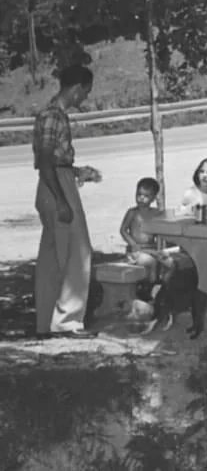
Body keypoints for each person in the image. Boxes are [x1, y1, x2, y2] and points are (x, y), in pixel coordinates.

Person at [32, 64, 102, 338]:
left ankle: (46, 323)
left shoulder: (52, 115)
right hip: (56, 188)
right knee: (78, 254)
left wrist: (77, 172)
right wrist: (62, 200)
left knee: (53, 257)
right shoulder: (54, 116)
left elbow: (55, 162)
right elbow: (46, 161)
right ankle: (67, 322)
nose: (84, 98)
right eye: (85, 92)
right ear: (76, 89)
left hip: (58, 182)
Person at [119, 177, 163, 282]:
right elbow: (123, 230)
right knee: (150, 262)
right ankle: (150, 287)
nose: (141, 198)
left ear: (153, 198)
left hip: (151, 249)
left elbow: (160, 232)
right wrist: (133, 244)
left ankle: (161, 286)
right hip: (135, 251)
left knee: (167, 261)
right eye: (139, 194)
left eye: (146, 196)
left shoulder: (156, 213)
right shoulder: (133, 213)